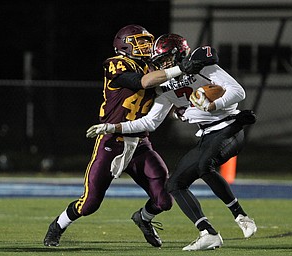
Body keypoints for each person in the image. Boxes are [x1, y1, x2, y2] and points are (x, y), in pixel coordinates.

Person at [86, 33, 257, 251]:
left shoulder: (201, 66)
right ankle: (208, 233)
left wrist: (213, 105)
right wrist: (113, 127)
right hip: (207, 135)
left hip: (230, 127)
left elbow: (238, 91)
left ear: (178, 53)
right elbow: (149, 122)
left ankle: (241, 217)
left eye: (166, 59)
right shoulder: (164, 88)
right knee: (174, 185)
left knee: (205, 166)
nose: (164, 65)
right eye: (160, 62)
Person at [43, 26, 205, 248]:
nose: (147, 46)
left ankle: (144, 219)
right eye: (140, 42)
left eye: (147, 42)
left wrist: (177, 107)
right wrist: (180, 68)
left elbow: (162, 93)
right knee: (89, 204)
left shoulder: (153, 66)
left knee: (164, 200)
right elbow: (142, 82)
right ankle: (57, 226)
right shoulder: (116, 63)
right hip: (112, 141)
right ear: (124, 44)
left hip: (141, 143)